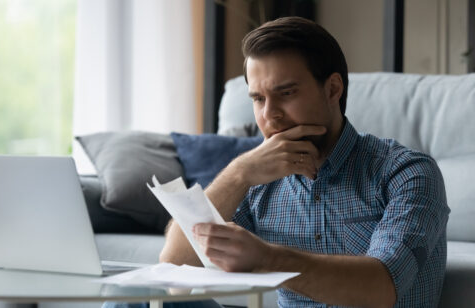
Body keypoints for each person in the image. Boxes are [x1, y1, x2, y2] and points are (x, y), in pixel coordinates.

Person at [106, 16, 449, 308]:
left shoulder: (407, 173)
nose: (269, 116)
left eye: (286, 94)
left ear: (332, 90)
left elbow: (382, 286)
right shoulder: (258, 177)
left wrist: (269, 258)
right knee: (136, 295)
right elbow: (174, 261)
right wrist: (240, 173)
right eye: (258, 98)